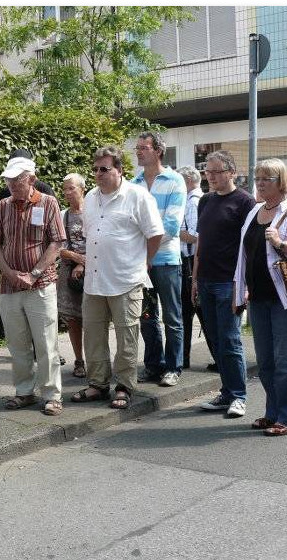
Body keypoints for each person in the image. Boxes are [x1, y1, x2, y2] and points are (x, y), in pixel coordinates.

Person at [234, 158, 287, 436]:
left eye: (265, 179)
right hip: (258, 297)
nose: (259, 183)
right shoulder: (256, 211)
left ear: (281, 182)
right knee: (266, 361)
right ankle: (273, 412)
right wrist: (239, 292)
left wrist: (282, 243)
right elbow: (243, 257)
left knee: (286, 359)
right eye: (257, 178)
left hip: (285, 298)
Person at [72, 146, 163, 410]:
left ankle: (124, 386)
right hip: (95, 279)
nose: (98, 174)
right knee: (94, 334)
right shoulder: (89, 197)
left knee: (126, 336)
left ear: (120, 170)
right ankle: (98, 384)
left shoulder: (137, 196)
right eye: (95, 169)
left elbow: (155, 234)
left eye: (104, 169)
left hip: (126, 279)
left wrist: (145, 263)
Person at [0, 155, 66, 416]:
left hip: (40, 284)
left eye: (16, 179)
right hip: (10, 287)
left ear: (31, 179)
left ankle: (52, 395)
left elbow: (56, 243)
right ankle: (24, 392)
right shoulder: (3, 206)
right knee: (17, 343)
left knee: (46, 343)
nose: (11, 184)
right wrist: (8, 273)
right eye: (8, 179)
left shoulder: (48, 202)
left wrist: (33, 274)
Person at [191, 151, 255, 418]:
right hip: (205, 279)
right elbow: (200, 242)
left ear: (231, 172)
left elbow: (250, 247)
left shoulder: (245, 202)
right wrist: (194, 279)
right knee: (216, 341)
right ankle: (226, 393)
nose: (211, 176)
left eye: (216, 172)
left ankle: (238, 395)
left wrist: (245, 284)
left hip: (229, 282)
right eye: (208, 172)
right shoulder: (204, 201)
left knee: (230, 341)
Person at [131, 131, 186, 387]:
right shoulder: (134, 183)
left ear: (158, 151)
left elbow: (172, 226)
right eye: (137, 148)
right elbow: (131, 224)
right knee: (146, 315)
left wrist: (146, 249)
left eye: (144, 147)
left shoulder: (175, 181)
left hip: (165, 260)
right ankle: (154, 365)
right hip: (142, 262)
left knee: (172, 316)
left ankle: (174, 367)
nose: (139, 152)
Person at [176, 165, 215, 370]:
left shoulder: (193, 202)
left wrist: (176, 231)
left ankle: (184, 358)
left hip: (191, 263)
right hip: (192, 263)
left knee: (190, 312)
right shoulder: (199, 200)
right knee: (194, 312)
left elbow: (196, 237)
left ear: (188, 181)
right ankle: (184, 357)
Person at [57, 173, 88, 378]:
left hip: (94, 270)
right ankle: (79, 360)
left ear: (82, 188)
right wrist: (77, 260)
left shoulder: (94, 212)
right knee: (73, 320)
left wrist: (83, 264)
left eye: (71, 188)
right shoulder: (63, 214)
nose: (67, 192)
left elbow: (100, 241)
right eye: (65, 189)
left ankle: (97, 360)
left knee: (95, 318)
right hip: (69, 273)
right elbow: (58, 246)